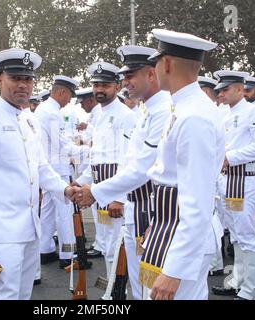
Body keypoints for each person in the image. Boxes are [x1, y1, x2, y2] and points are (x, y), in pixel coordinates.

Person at [0, 48, 75, 300]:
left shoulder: (29, 120)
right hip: (0, 234)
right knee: (4, 296)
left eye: (28, 79)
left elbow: (41, 167)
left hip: (30, 230)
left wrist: (64, 190)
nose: (23, 85)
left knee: (23, 295)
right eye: (16, 78)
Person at [74, 44, 172, 299]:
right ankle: (112, 293)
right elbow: (106, 158)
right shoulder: (141, 111)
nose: (126, 82)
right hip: (128, 198)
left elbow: (140, 167)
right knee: (128, 265)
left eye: (129, 77)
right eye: (124, 77)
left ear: (151, 74)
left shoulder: (153, 112)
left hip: (146, 204)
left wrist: (103, 193)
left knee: (150, 279)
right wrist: (84, 183)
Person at [140, 29, 223, 300]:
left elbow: (196, 201)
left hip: (182, 237)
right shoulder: (186, 109)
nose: (154, 68)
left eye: (156, 62)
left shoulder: (193, 117)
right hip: (171, 227)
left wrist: (174, 270)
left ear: (166, 63)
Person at [211, 70, 255, 300]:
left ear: (239, 89)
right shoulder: (223, 113)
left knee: (246, 236)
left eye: (226, 89)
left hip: (243, 179)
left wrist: (231, 156)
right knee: (235, 235)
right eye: (220, 90)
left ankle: (250, 290)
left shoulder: (254, 112)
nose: (221, 94)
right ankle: (237, 281)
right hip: (225, 180)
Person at [73, 61, 137, 280]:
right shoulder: (98, 115)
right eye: (96, 85)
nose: (99, 90)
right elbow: (97, 158)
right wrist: (80, 182)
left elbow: (128, 160)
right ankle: (111, 293)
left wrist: (119, 198)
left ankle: (117, 293)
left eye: (105, 85)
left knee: (117, 245)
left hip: (114, 194)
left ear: (117, 87)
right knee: (108, 246)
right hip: (99, 190)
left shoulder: (125, 116)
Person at [34, 75, 89, 268]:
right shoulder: (51, 113)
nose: (68, 101)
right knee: (65, 213)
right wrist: (89, 151)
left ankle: (45, 249)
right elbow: (64, 146)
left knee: (48, 211)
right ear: (61, 92)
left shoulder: (43, 109)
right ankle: (67, 253)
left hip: (48, 168)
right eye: (69, 96)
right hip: (57, 169)